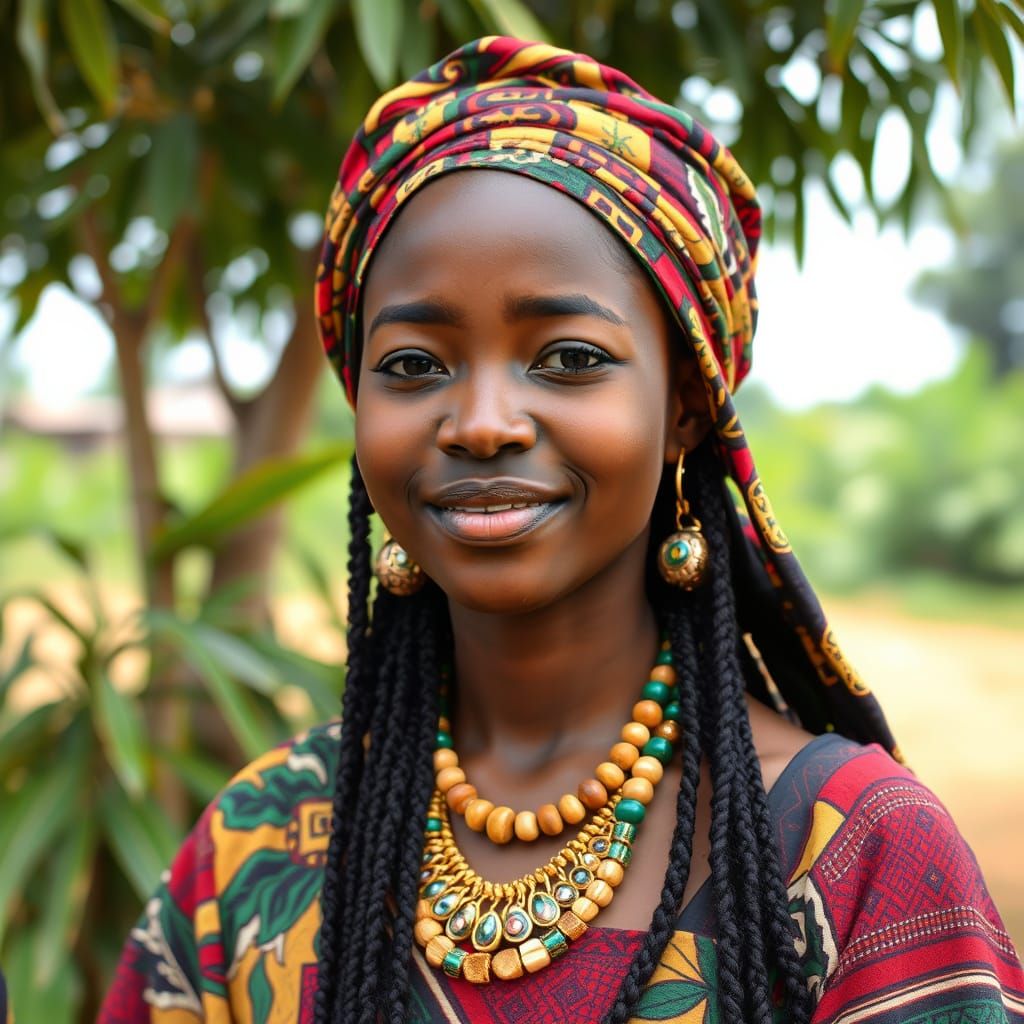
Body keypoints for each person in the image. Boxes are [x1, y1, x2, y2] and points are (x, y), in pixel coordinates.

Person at [98, 36, 1024, 1024]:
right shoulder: (260, 842)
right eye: (414, 364)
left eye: (568, 356)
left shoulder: (849, 851)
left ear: (685, 407)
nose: (482, 420)